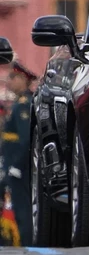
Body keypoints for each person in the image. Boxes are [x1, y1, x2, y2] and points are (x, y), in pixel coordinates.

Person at [0, 60, 37, 247]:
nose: (8, 82)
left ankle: (27, 247)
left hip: (19, 168)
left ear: (23, 79)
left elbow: (25, 140)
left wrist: (16, 166)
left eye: (12, 78)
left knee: (23, 210)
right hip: (12, 165)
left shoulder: (24, 105)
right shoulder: (18, 103)